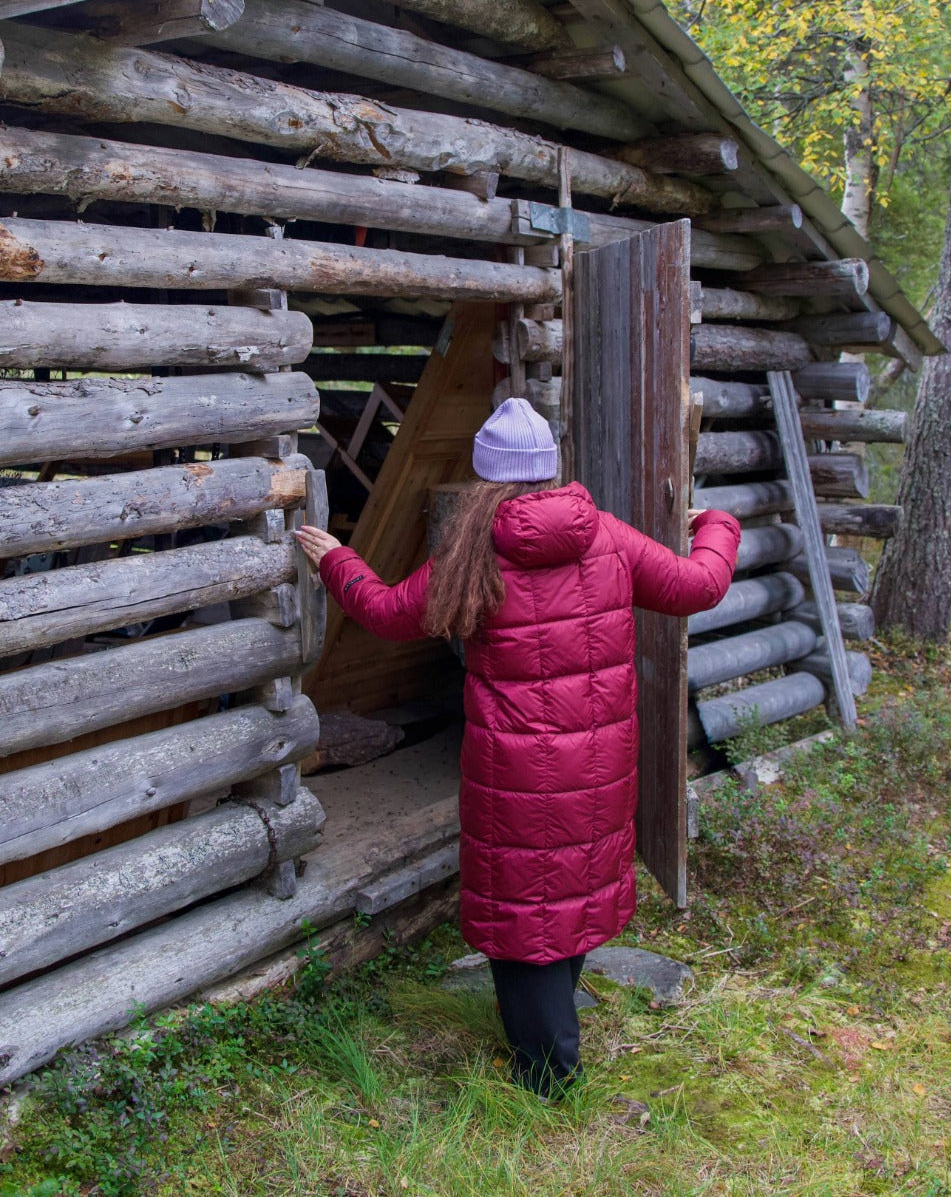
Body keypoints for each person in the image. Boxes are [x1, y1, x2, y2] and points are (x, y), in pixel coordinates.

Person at [297, 398, 740, 1096]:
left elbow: (385, 612)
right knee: (570, 892)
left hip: (516, 777)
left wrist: (338, 561)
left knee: (523, 918)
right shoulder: (608, 537)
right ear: (549, 470)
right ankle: (553, 1043)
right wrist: (717, 524)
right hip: (597, 768)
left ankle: (549, 1081)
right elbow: (701, 585)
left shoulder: (473, 554)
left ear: (487, 479)